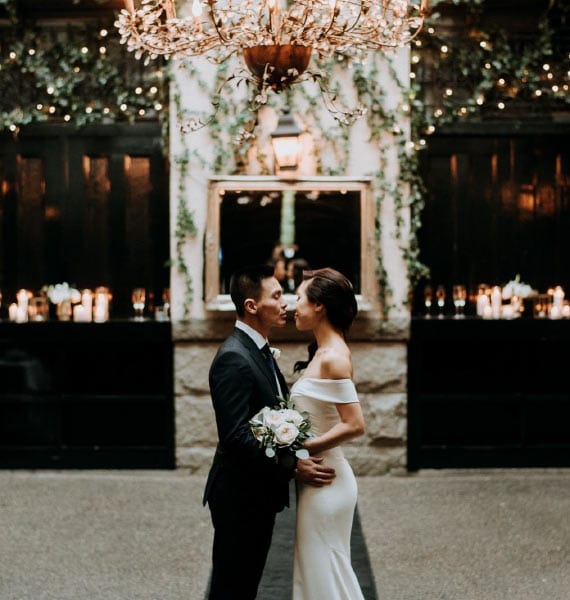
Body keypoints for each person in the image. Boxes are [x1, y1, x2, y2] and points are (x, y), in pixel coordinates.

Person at [202, 264, 336, 600]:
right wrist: (292, 466)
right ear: (251, 306)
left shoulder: (259, 350)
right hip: (238, 496)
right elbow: (235, 439)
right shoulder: (233, 358)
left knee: (245, 585)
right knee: (232, 588)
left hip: (256, 491)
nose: (285, 304)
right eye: (276, 296)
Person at [291, 267, 366, 599]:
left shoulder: (334, 356)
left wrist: (306, 446)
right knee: (319, 571)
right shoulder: (321, 352)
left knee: (326, 572)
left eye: (298, 298)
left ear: (319, 305)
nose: (294, 306)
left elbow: (354, 424)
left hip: (328, 480)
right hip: (320, 480)